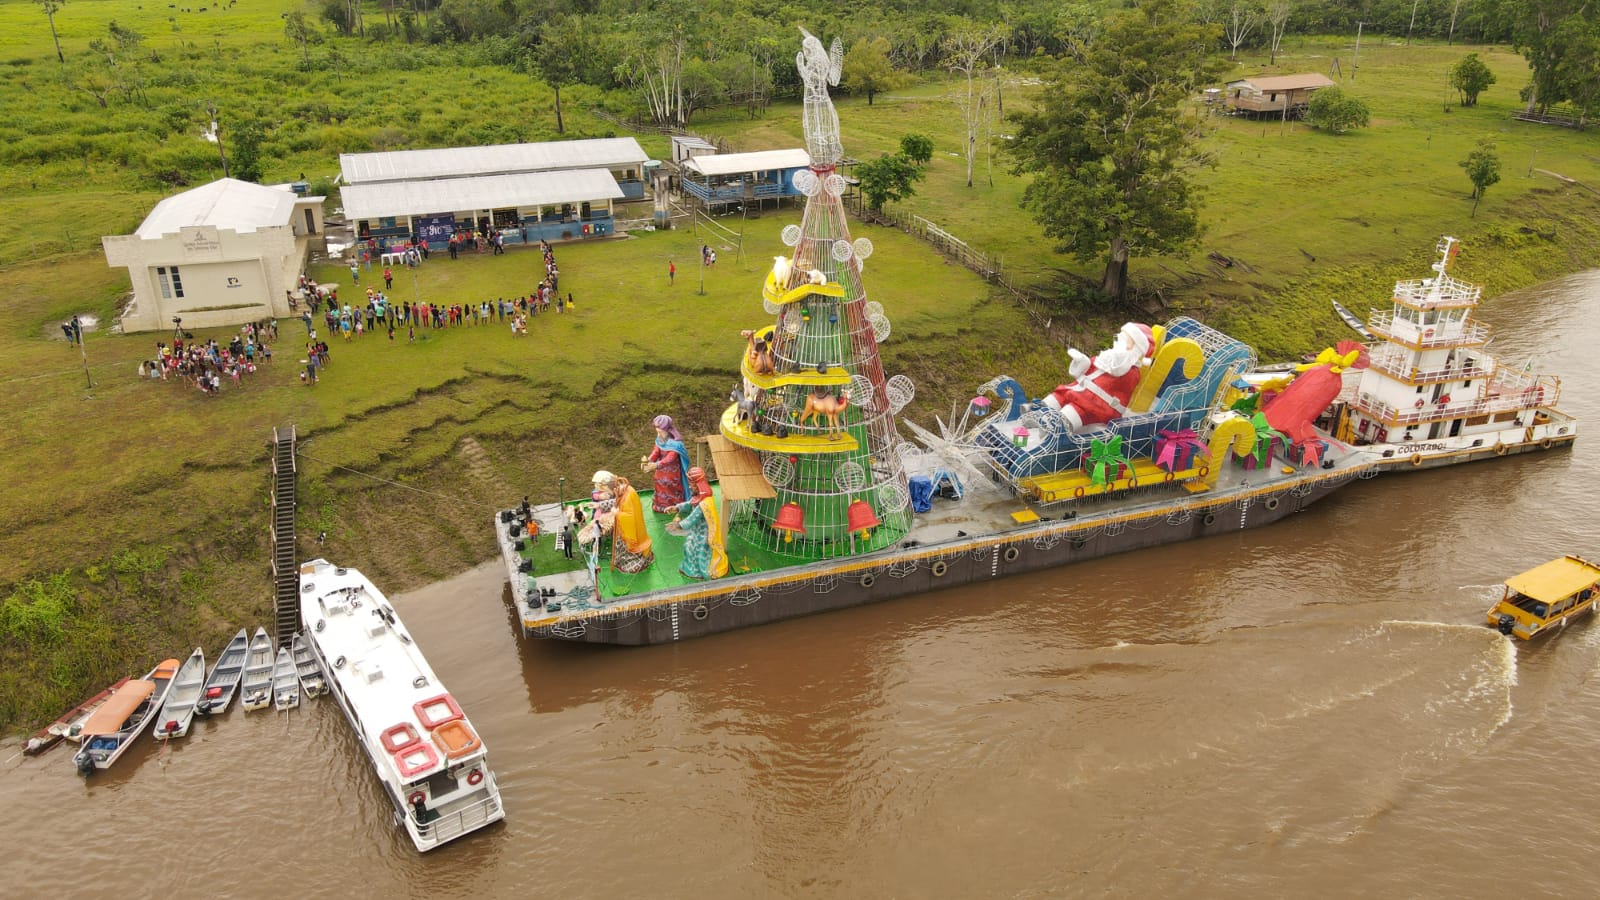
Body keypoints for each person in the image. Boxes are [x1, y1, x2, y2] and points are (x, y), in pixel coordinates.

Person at [586, 471, 653, 573]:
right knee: (620, 547)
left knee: (629, 553)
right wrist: (599, 505)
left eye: (606, 491)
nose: (607, 494)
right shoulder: (621, 490)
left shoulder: (628, 495)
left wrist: (617, 514)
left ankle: (634, 560)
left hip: (631, 532)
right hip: (622, 531)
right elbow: (616, 501)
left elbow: (630, 517)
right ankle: (621, 560)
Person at [672, 467, 728, 580]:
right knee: (687, 546)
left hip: (704, 535)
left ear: (698, 485)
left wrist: (678, 525)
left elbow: (692, 518)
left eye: (691, 485)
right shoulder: (698, 497)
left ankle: (697, 571)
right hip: (696, 531)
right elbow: (690, 504)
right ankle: (688, 567)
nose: (689, 487)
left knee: (695, 550)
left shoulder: (704, 502)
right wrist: (677, 508)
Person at [641, 415, 692, 513]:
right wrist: (649, 460)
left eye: (660, 432)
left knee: (668, 482)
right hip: (660, 469)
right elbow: (656, 451)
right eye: (657, 432)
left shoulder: (676, 444)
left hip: (672, 470)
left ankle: (674, 505)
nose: (658, 435)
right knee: (658, 479)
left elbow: (670, 458)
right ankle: (660, 504)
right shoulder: (660, 439)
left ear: (667, 430)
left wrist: (656, 465)